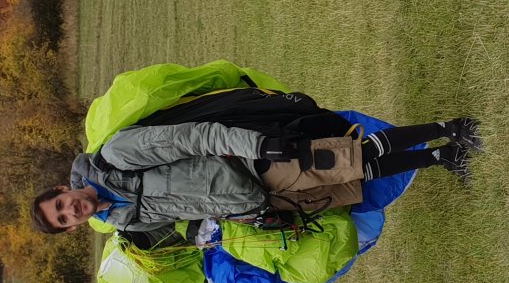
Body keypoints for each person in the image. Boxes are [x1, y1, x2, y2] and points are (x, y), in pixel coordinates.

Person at [29, 83, 481, 251]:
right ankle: (443, 157)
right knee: (355, 180)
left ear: (63, 189)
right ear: (72, 228)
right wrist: (248, 217)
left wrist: (260, 144)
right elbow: (191, 209)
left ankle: (450, 128)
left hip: (253, 162)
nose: (72, 211)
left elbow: (194, 137)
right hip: (256, 200)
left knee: (354, 155)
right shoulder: (124, 220)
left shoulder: (116, 157)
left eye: (62, 205)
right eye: (65, 219)